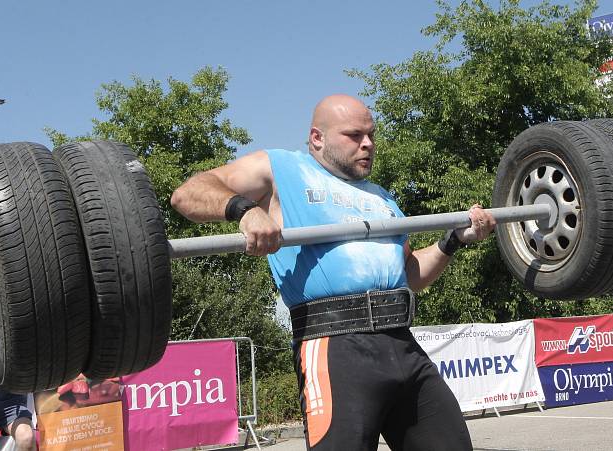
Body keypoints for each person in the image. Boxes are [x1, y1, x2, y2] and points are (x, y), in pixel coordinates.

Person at [171, 94, 495, 450]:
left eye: (371, 134)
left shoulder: (383, 199)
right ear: (317, 138)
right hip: (333, 348)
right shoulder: (280, 169)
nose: (368, 144)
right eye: (354, 135)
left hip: (402, 344)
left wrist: (453, 241)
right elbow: (187, 194)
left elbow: (410, 275)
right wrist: (243, 209)